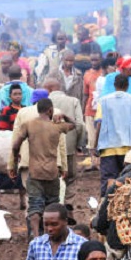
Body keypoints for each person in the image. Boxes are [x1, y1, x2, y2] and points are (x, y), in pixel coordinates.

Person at [11, 98, 76, 237]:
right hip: (52, 172)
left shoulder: (28, 125)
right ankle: (50, 234)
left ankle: (35, 236)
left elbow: (15, 145)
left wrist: (16, 157)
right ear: (50, 110)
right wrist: (63, 115)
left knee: (34, 204)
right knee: (52, 203)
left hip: (35, 171)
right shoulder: (56, 126)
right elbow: (74, 125)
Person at [93, 74, 131, 195]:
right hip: (129, 147)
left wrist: (95, 146)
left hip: (108, 146)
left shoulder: (103, 101)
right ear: (127, 85)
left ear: (114, 85)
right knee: (130, 179)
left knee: (109, 179)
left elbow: (99, 123)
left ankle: (105, 206)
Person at [46, 77, 85, 205]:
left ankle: (54, 204)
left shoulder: (43, 102)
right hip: (69, 146)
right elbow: (80, 125)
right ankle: (68, 205)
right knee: (70, 178)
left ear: (49, 89)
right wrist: (78, 144)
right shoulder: (73, 101)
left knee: (51, 178)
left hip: (48, 148)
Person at [82, 51, 103, 170]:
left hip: (102, 110)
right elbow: (85, 94)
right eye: (92, 60)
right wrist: (82, 108)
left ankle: (100, 162)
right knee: (91, 137)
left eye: (96, 60)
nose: (94, 62)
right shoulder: (87, 74)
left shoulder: (104, 74)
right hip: (90, 110)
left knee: (100, 136)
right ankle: (94, 163)